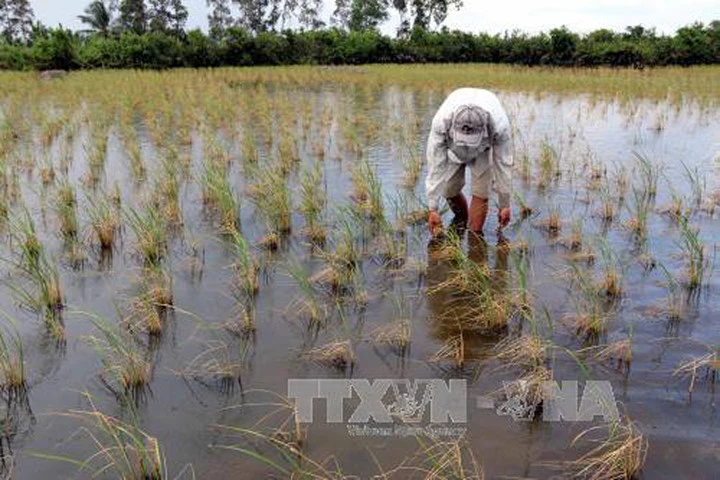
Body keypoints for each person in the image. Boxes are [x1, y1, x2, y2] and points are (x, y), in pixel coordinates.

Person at [425, 88, 513, 235]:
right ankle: (462, 220)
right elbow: (436, 165)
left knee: (481, 193)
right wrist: (432, 208)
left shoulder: (500, 125)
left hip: (483, 150)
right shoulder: (441, 123)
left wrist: (505, 204)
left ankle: (474, 236)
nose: (467, 145)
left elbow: (503, 163)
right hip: (453, 149)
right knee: (449, 190)